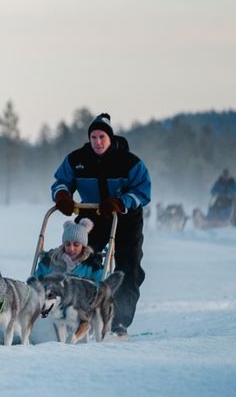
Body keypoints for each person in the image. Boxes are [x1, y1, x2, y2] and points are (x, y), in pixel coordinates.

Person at [51, 112, 151, 338]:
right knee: (79, 258)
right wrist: (63, 196)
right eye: (94, 137)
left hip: (125, 218)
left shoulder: (129, 162)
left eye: (101, 137)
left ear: (110, 138)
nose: (97, 142)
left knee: (128, 268)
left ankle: (119, 322)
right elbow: (60, 181)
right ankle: (70, 310)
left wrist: (121, 202)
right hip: (91, 217)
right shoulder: (77, 160)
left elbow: (143, 191)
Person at [34, 218, 104, 282]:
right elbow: (36, 283)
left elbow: (99, 288)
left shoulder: (92, 264)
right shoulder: (50, 260)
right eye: (67, 244)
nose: (71, 248)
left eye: (76, 245)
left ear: (83, 246)